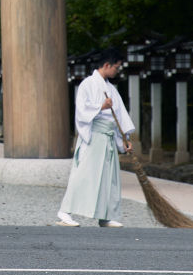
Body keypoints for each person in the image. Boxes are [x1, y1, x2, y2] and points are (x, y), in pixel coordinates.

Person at [54, 56, 136, 227]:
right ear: (107, 65)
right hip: (94, 135)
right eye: (116, 67)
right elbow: (82, 111)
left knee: (108, 177)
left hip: (109, 136)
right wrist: (100, 107)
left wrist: (124, 139)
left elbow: (120, 116)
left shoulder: (111, 88)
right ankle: (65, 211)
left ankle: (105, 215)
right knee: (83, 175)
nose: (117, 70)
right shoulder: (87, 84)